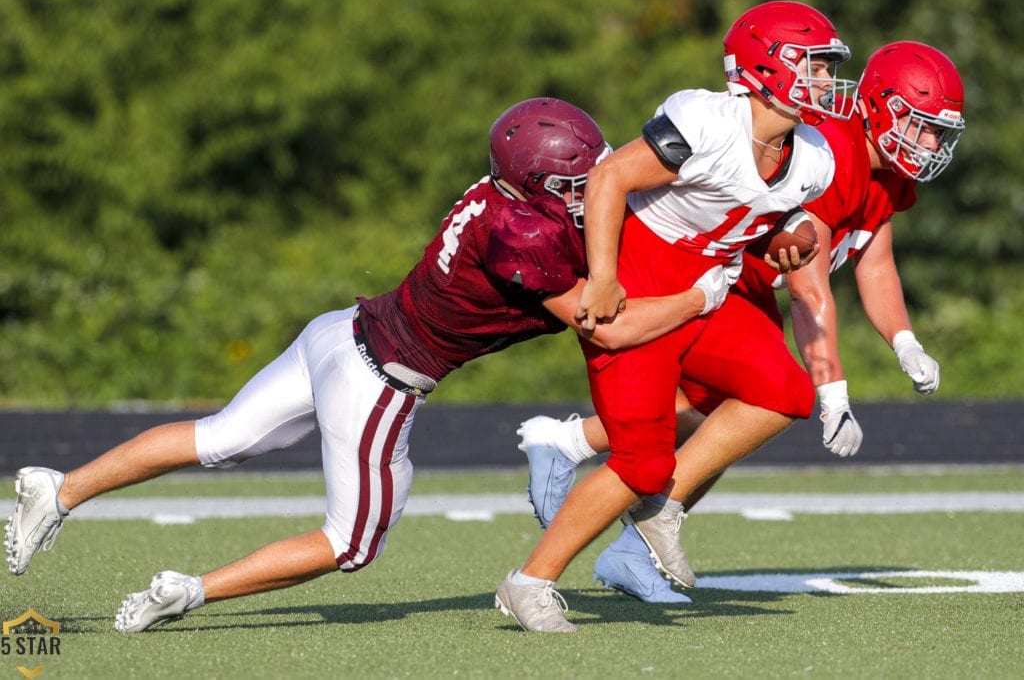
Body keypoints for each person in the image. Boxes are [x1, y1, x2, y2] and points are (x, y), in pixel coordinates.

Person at [4, 98, 735, 632]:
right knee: (350, 544)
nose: (594, 191)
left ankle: (60, 487)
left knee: (217, 437)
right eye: (578, 182)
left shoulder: (501, 198)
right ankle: (188, 589)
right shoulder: (526, 234)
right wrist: (699, 295)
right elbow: (607, 329)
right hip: (382, 379)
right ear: (537, 185)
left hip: (339, 332)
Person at [517, 40, 966, 605]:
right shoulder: (835, 151)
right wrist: (833, 391)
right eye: (921, 126)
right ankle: (588, 509)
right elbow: (809, 285)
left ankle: (621, 516)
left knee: (717, 423)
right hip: (712, 276)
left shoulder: (886, 177)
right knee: (710, 423)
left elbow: (875, 263)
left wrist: (904, 341)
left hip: (734, 283)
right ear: (882, 107)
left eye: (937, 132)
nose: (929, 144)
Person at [495, 0, 860, 632]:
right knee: (639, 460)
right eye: (815, 67)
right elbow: (609, 178)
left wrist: (784, 236)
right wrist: (604, 276)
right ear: (767, 67)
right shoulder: (706, 120)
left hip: (707, 283)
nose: (827, 83)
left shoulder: (814, 154)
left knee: (785, 392)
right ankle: (529, 582)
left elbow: (753, 223)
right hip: (640, 275)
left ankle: (662, 509)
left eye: (828, 69)